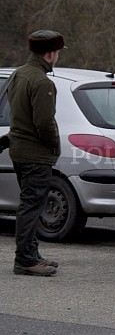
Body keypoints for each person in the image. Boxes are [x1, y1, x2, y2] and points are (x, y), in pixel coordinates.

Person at [8, 30, 66, 276]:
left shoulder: (18, 73)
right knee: (31, 206)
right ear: (51, 53)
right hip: (36, 154)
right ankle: (25, 259)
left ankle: (31, 252)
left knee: (29, 203)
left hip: (19, 150)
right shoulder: (43, 82)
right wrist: (54, 144)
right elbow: (44, 122)